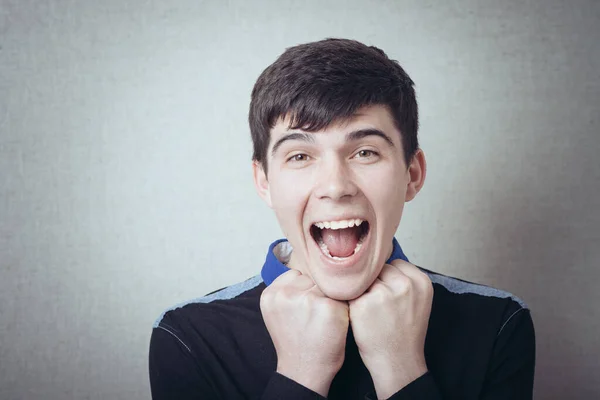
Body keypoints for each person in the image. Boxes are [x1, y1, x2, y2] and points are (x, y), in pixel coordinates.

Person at [148, 38, 535, 400]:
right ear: (264, 182)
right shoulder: (188, 336)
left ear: (411, 175)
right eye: (300, 156)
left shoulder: (498, 323)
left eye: (365, 152)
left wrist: (401, 369)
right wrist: (301, 374)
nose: (335, 187)